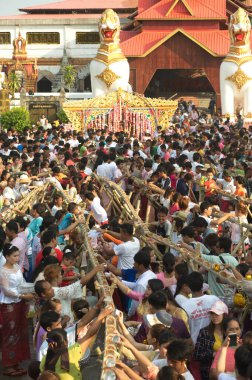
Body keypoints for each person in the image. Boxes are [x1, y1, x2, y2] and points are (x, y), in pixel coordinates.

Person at [0, 244, 34, 377]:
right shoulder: (2, 271)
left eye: (18, 255)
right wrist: (23, 295)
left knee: (20, 332)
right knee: (10, 334)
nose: (17, 258)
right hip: (9, 305)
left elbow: (22, 284)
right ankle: (8, 365)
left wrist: (31, 289)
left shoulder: (16, 267)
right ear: (7, 257)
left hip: (20, 304)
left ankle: (15, 361)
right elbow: (7, 291)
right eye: (14, 256)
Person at [182, 272, 221, 344]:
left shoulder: (184, 305)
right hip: (215, 343)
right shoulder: (214, 299)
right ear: (202, 284)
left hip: (196, 344)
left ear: (189, 286)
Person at [193, 300, 229, 380]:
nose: (214, 316)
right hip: (208, 372)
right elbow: (197, 354)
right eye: (212, 314)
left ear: (224, 315)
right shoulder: (204, 332)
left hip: (227, 371)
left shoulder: (229, 332)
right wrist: (213, 354)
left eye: (217, 314)